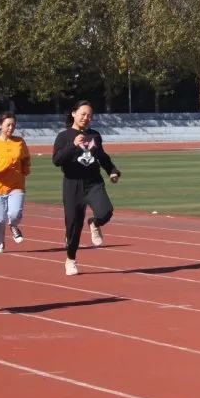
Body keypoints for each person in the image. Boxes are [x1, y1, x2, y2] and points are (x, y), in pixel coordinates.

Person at [52, 101, 121, 276]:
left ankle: (95, 223)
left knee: (106, 211)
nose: (86, 118)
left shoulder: (94, 136)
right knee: (73, 226)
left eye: (89, 115)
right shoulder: (64, 136)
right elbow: (57, 160)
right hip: (73, 184)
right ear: (73, 113)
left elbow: (102, 157)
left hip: (93, 182)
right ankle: (71, 259)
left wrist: (112, 171)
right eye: (83, 114)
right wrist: (72, 145)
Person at [0, 112, 31, 252]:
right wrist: (6, 163)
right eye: (8, 125)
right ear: (0, 125)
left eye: (13, 125)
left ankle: (13, 226)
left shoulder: (19, 142)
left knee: (15, 213)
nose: (11, 128)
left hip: (16, 185)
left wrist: (25, 169)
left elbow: (26, 158)